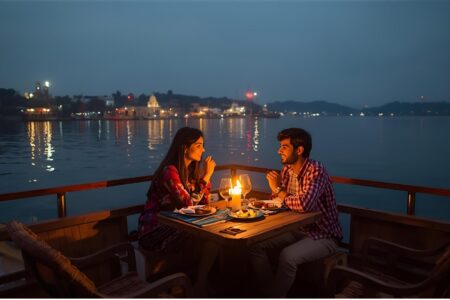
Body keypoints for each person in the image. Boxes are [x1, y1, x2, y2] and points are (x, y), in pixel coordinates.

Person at [249, 127, 342, 297]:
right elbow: (281, 202)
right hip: (296, 229)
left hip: (323, 234)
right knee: (255, 246)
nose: (279, 151)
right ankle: (270, 290)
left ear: (299, 150)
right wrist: (272, 196)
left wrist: (277, 189)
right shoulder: (287, 171)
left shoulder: (316, 170)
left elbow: (304, 204)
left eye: (284, 147)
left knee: (287, 256)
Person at [138, 126, 217, 295]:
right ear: (184, 147)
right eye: (199, 145)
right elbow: (188, 204)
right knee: (207, 237)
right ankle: (193, 285)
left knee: (213, 239)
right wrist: (207, 176)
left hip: (178, 226)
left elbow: (203, 203)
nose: (203, 149)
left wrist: (203, 182)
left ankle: (200, 284)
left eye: (203, 145)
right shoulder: (169, 171)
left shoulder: (189, 172)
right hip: (154, 230)